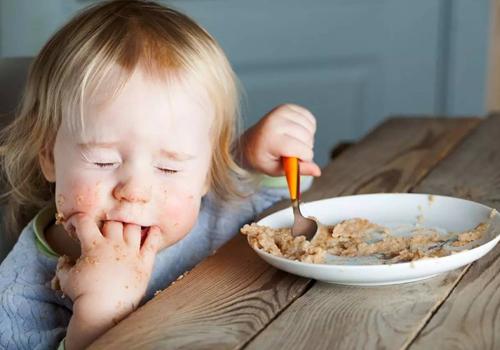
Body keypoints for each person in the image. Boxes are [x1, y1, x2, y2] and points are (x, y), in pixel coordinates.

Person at [0, 1, 321, 349]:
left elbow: (278, 211)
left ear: (205, 174)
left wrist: (255, 160)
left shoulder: (212, 214)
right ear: (48, 155)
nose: (136, 191)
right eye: (103, 161)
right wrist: (97, 317)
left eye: (169, 167)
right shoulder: (20, 291)